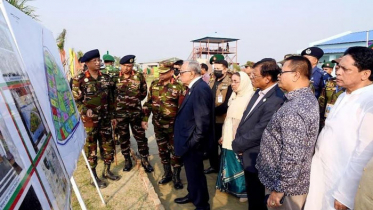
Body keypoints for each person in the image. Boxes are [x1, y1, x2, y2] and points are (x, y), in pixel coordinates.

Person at [305, 46, 373, 210]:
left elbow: (363, 153)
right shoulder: (344, 95)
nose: (338, 72)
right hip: (323, 174)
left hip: (341, 183)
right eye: (338, 67)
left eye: (345, 69)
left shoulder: (369, 101)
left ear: (365, 74)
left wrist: (345, 194)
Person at [256, 56, 319, 210]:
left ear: (296, 74)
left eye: (283, 72)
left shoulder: (295, 108)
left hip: (286, 188)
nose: (279, 76)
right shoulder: (303, 99)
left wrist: (279, 190)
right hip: (286, 183)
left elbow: (293, 154)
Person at [232, 58, 285, 210]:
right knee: (252, 195)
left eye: (254, 75)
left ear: (268, 78)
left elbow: (262, 129)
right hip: (248, 152)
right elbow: (247, 119)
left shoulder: (276, 98)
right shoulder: (258, 92)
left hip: (259, 155)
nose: (251, 78)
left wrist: (238, 143)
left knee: (258, 197)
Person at [72, 49, 120, 188]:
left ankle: (107, 170)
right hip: (90, 122)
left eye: (99, 60)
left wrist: (113, 116)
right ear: (87, 63)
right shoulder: (78, 80)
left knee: (108, 145)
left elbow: (111, 98)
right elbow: (75, 101)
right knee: (91, 149)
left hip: (105, 119)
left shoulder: (106, 78)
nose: (98, 63)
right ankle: (94, 176)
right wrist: (84, 110)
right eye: (95, 61)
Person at [173, 60, 213, 210]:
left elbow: (202, 122)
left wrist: (193, 142)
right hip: (189, 141)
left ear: (191, 73)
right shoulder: (194, 87)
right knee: (191, 173)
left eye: (182, 72)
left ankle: (202, 204)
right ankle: (193, 194)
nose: (179, 75)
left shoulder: (200, 89)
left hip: (193, 143)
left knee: (196, 174)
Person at [142, 63, 185, 189]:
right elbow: (149, 103)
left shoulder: (179, 86)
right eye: (159, 72)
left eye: (163, 72)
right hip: (158, 125)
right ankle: (167, 173)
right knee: (162, 150)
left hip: (174, 127)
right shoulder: (154, 85)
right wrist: (145, 118)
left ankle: (177, 176)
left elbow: (183, 108)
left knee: (176, 152)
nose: (160, 74)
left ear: (171, 72)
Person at [216, 71, 254, 201]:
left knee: (238, 165)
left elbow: (244, 123)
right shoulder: (234, 96)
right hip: (228, 136)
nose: (233, 84)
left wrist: (238, 140)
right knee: (229, 163)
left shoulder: (249, 98)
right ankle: (230, 187)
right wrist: (223, 136)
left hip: (238, 139)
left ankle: (242, 191)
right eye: (232, 81)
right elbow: (229, 120)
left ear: (243, 82)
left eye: (236, 81)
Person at [113, 55, 153, 173]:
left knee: (140, 137)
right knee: (124, 138)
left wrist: (133, 101)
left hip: (136, 114)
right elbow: (111, 96)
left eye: (130, 66)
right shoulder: (115, 78)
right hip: (120, 115)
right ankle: (127, 160)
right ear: (121, 65)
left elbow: (143, 93)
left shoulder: (139, 77)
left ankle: (145, 159)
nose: (127, 68)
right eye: (125, 66)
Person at [204, 59, 233, 174]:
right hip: (211, 120)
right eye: (215, 69)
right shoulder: (212, 81)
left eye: (218, 69)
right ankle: (213, 166)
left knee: (223, 145)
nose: (216, 71)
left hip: (222, 119)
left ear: (225, 69)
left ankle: (225, 168)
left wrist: (211, 111)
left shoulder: (230, 82)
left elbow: (227, 103)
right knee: (211, 145)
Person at [318, 58, 345, 130]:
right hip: (326, 121)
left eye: (341, 66)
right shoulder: (330, 82)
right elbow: (322, 101)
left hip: (341, 123)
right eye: (336, 66)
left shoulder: (352, 85)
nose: (336, 67)